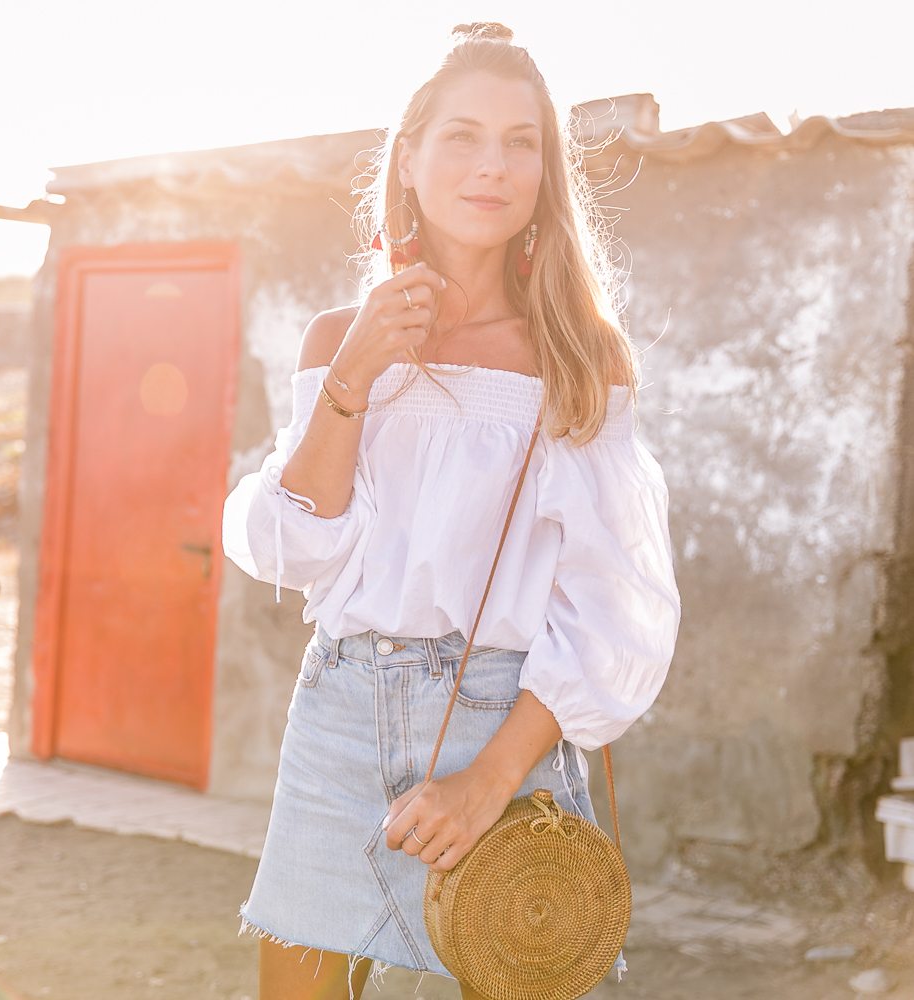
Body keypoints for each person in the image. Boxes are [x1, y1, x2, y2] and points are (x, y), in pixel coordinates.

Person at [219, 21, 682, 1000]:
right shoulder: (340, 338)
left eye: (523, 142)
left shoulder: (577, 358)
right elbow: (292, 546)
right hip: (339, 710)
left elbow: (615, 605)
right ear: (410, 159)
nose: (494, 165)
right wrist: (352, 377)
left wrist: (488, 778)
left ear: (547, 172)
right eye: (464, 136)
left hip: (501, 723)